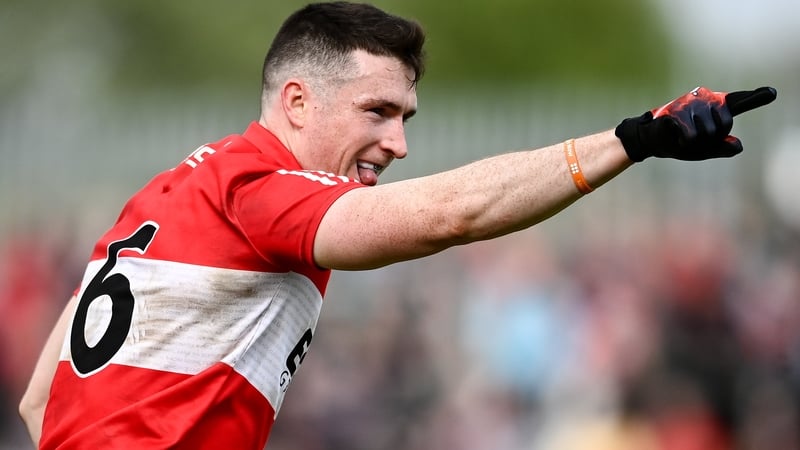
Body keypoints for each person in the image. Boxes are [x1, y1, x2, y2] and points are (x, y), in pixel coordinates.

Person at [18, 2, 776, 449]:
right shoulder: (259, 188)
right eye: (377, 112)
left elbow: (38, 401)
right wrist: (630, 141)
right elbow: (451, 214)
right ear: (296, 102)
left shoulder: (161, 195)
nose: (399, 143)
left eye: (405, 116)